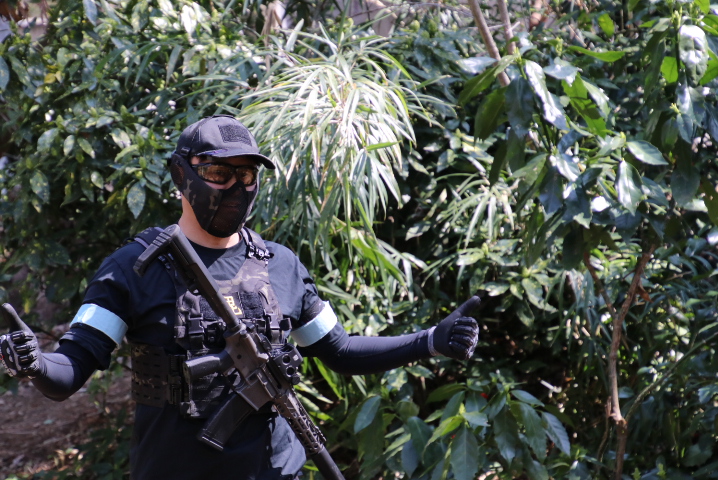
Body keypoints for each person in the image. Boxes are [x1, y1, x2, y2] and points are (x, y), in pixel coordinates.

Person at [0, 115, 479, 480]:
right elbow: (71, 368)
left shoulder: (281, 265)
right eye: (218, 172)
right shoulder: (133, 268)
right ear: (180, 175)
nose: (235, 187)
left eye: (247, 175)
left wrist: (431, 341)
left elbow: (341, 350)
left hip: (278, 470)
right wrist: (35, 363)